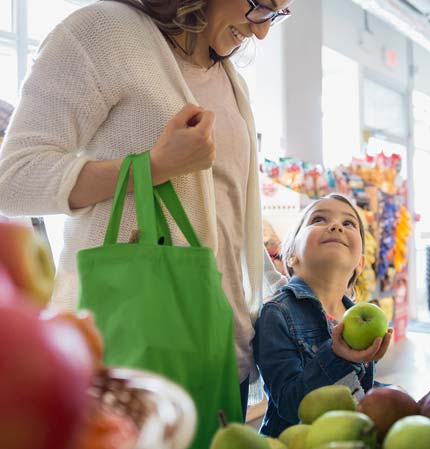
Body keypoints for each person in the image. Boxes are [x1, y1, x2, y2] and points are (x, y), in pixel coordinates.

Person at [0, 0, 292, 419]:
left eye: (278, 14)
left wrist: (285, 291)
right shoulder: (103, 33)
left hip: (226, 351)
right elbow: (13, 179)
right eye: (262, 5)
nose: (262, 31)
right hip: (133, 351)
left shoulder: (229, 78)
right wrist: (153, 168)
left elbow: (227, 209)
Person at [253, 193, 393, 436]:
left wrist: (391, 397)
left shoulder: (358, 315)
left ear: (359, 263)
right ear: (292, 255)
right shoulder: (277, 313)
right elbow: (289, 405)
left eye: (349, 223)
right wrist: (337, 356)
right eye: (318, 219)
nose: (336, 226)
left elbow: (358, 394)